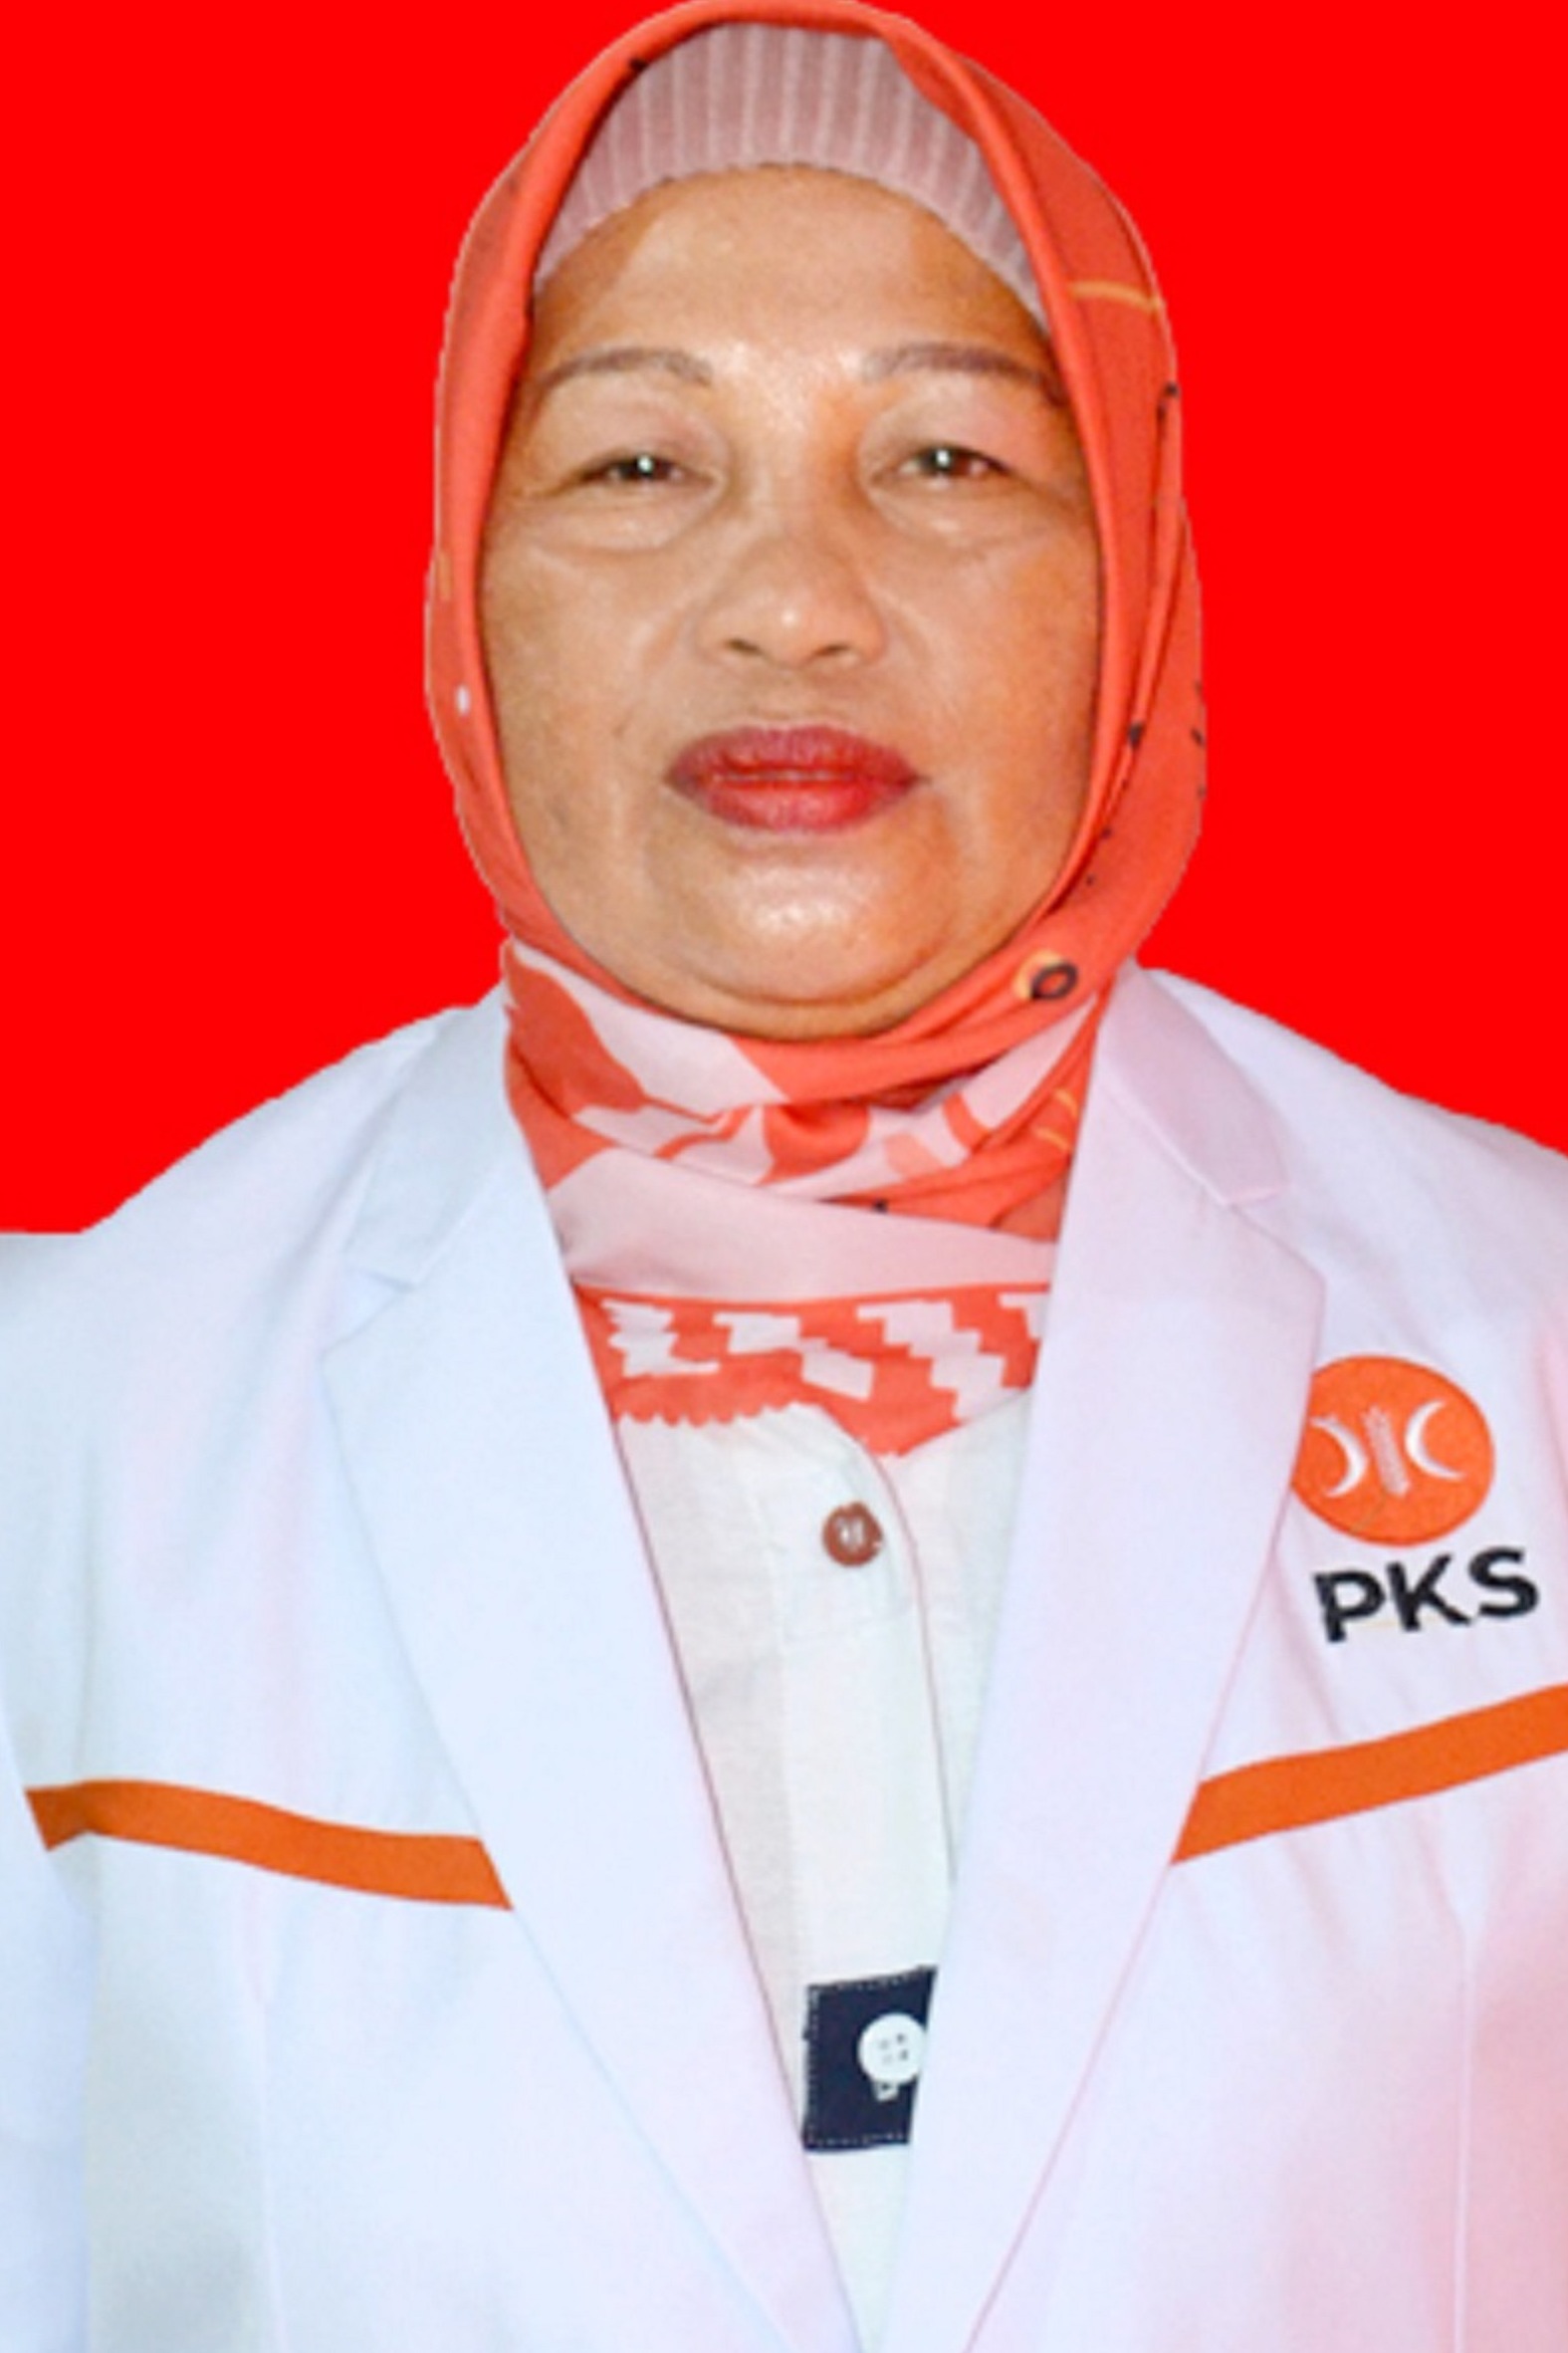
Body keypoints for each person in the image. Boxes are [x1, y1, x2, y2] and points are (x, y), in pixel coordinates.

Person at [2, 1, 1564, 2346]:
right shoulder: (75, 1417)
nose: (793, 596)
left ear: (1129, 576)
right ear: (466, 590)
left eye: (943, 456)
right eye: (637, 464)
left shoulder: (1526, 1333)